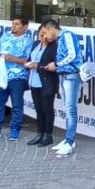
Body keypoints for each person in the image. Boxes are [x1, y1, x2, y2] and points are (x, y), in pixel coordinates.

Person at [0, 15, 33, 142]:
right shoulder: (6, 36)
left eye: (17, 24)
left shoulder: (29, 41)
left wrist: (13, 59)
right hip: (2, 75)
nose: (13, 26)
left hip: (18, 77)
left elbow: (29, 61)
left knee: (17, 105)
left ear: (25, 26)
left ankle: (15, 130)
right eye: (13, 23)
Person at [43, 19, 82, 156]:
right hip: (64, 75)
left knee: (70, 109)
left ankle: (69, 141)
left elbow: (72, 55)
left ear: (51, 28)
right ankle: (68, 138)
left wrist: (57, 64)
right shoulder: (60, 39)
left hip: (71, 75)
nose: (46, 36)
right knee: (67, 108)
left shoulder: (67, 35)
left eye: (46, 32)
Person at [25, 26, 59, 147]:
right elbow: (29, 58)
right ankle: (40, 133)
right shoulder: (35, 44)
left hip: (47, 81)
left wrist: (38, 65)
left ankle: (48, 135)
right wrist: (27, 63)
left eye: (45, 34)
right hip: (34, 80)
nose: (43, 37)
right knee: (38, 109)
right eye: (41, 34)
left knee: (47, 109)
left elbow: (55, 64)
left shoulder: (54, 46)